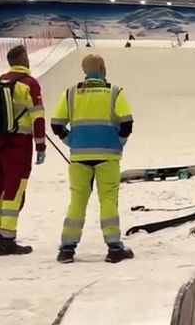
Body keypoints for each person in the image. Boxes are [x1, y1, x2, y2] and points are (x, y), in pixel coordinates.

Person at [50, 54, 134, 264]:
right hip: (108, 156)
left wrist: (71, 141)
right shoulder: (114, 92)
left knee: (77, 199)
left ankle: (67, 248)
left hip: (79, 157)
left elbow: (56, 124)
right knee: (107, 199)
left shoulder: (70, 93)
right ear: (103, 68)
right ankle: (114, 247)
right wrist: (118, 142)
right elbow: (126, 124)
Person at [0, 45, 47, 257]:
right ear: (24, 60)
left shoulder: (0, 81)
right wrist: (40, 144)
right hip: (17, 145)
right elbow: (37, 116)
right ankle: (7, 240)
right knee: (13, 190)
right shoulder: (29, 84)